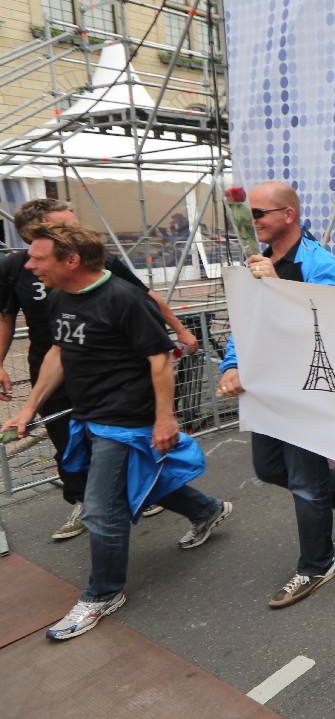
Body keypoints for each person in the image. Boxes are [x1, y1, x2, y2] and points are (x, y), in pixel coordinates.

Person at [2, 222, 231, 640]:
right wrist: (29, 407)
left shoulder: (124, 298)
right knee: (141, 480)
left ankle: (103, 593)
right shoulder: (59, 297)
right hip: (89, 415)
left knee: (100, 509)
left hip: (124, 420)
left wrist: (165, 419)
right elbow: (58, 352)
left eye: (37, 257)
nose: (29, 265)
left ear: (72, 260)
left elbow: (160, 359)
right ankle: (207, 510)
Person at [0, 198, 199, 540]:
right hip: (54, 374)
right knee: (71, 449)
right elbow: (12, 321)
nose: (78, 229)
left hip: (114, 384)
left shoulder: (99, 266)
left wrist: (179, 330)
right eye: (67, 224)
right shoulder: (22, 271)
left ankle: (99, 513)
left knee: (114, 475)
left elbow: (144, 299)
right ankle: (94, 500)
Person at [217, 182, 335, 607]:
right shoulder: (258, 261)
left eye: (258, 214)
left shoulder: (320, 265)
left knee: (306, 482)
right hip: (267, 388)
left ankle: (316, 566)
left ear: (288, 215)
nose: (249, 222)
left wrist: (281, 289)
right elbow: (245, 321)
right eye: (246, 214)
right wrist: (231, 364)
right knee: (269, 468)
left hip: (307, 390)